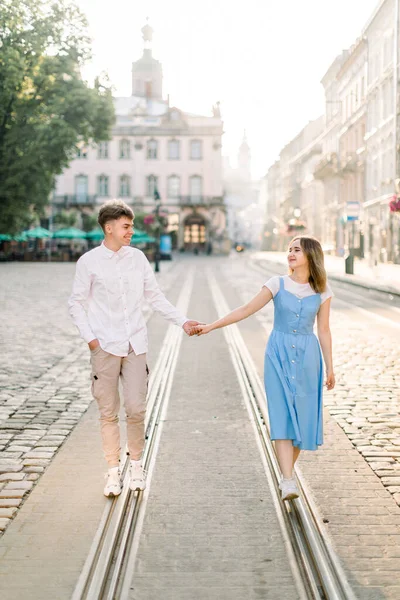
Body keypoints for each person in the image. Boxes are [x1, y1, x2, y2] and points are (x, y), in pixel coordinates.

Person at [69, 200, 201, 497]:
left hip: (135, 344)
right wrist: (92, 340)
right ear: (109, 228)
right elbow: (75, 304)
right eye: (126, 226)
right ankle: (113, 471)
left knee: (136, 409)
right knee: (108, 412)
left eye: (131, 226)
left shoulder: (138, 258)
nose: (131, 231)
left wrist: (182, 321)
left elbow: (154, 297)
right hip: (104, 346)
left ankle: (137, 466)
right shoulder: (88, 262)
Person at [191, 236, 335, 501]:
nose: (291, 253)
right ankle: (288, 480)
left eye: (297, 250)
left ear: (311, 255)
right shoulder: (276, 284)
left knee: (303, 419)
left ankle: (286, 473)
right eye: (289, 249)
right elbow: (246, 310)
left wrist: (330, 367)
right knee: (281, 414)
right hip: (278, 353)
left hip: (308, 357)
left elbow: (324, 330)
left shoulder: (322, 290)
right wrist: (211, 326)